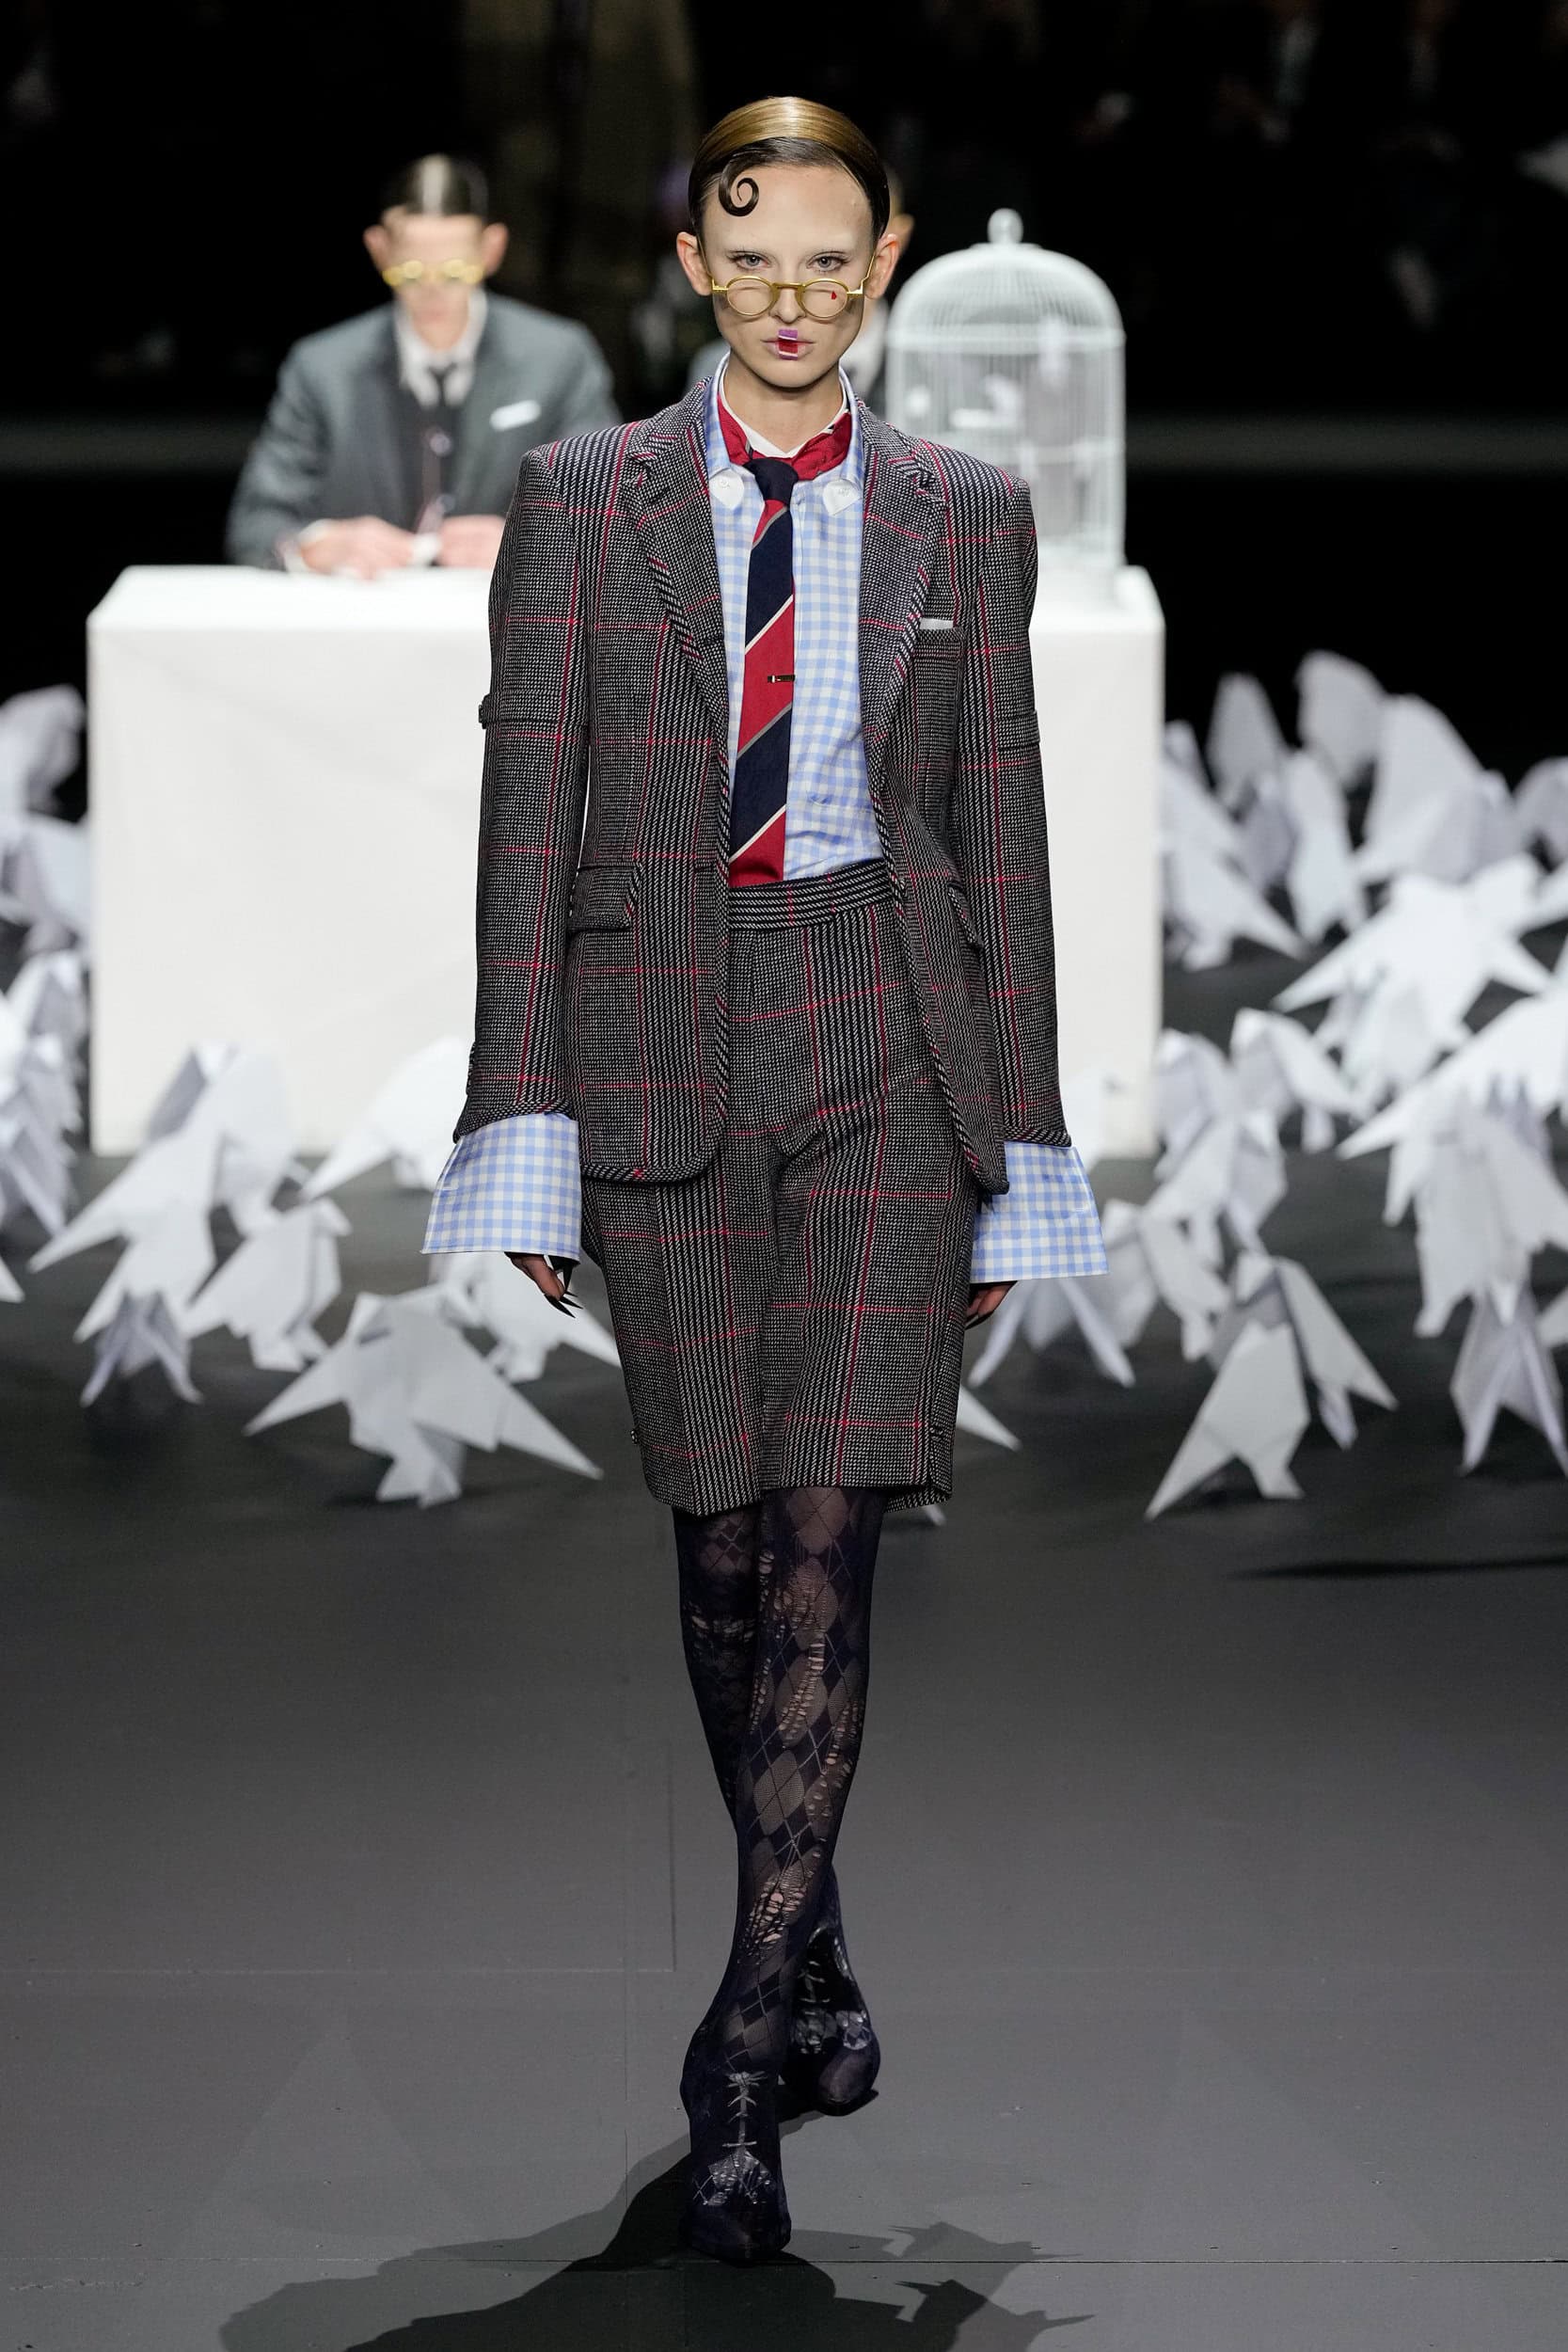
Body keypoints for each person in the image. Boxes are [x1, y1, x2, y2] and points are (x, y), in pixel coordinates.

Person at [422, 95, 1105, 2265]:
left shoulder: (964, 512)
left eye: (831, 263)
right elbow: (526, 815)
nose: (795, 300)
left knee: (830, 1519)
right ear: (695, 266)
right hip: (658, 1034)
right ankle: (804, 1935)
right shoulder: (582, 496)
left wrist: (1018, 1148)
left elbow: (1001, 833)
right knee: (720, 1527)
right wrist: (519, 1126)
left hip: (889, 1036)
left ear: (878, 264)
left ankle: (734, 2044)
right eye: (757, 263)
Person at [225, 154, 619, 575]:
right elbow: (255, 524)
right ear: (380, 250)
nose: (433, 292)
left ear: (491, 249)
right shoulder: (323, 368)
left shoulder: (558, 357)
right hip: (365, 606)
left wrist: (534, 542)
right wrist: (315, 545)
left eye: (455, 272)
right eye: (412, 273)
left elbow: (611, 516)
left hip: (506, 610)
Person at [684, 163, 915, 407]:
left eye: (825, 261)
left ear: (883, 257)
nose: (788, 310)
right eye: (752, 259)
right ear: (699, 263)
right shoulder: (712, 370)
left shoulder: (927, 367)